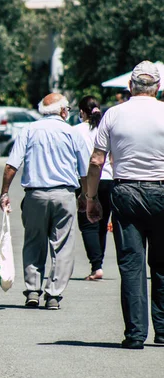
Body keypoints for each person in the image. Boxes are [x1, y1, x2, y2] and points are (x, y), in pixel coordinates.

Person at [86, 61, 164, 350]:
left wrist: (91, 199)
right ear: (158, 88)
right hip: (162, 188)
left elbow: (97, 160)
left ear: (130, 86)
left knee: (131, 265)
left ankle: (134, 335)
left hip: (126, 190)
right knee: (162, 264)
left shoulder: (113, 114)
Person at [0, 93, 89, 310]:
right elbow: (85, 170)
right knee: (63, 246)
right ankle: (53, 295)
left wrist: (4, 193)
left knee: (33, 241)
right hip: (64, 195)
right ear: (63, 111)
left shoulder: (29, 130)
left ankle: (32, 290)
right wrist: (88, 197)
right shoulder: (71, 132)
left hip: (35, 195)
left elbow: (12, 165)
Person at [74, 96, 113, 281]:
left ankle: (96, 266)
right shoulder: (107, 128)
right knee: (102, 224)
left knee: (88, 223)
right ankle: (99, 264)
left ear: (82, 112)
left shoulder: (76, 131)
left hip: (87, 180)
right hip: (109, 179)